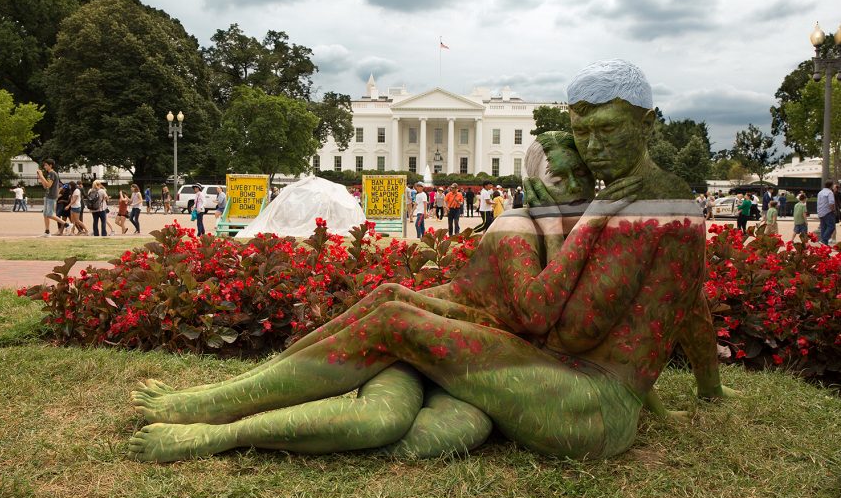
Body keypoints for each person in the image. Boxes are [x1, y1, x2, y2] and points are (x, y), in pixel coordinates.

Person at [128, 58, 735, 463]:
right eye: (583, 134)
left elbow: (569, 329)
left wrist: (564, 227)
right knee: (391, 302)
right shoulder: (665, 200)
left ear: (646, 122)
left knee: (397, 322)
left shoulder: (633, 211)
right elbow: (691, 304)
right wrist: (708, 390)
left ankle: (217, 414)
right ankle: (237, 388)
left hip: (585, 407)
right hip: (566, 380)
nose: (592, 148)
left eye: (606, 130)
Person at [36, 159, 68, 238]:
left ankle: (66, 224)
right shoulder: (49, 174)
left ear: (50, 165)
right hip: (48, 195)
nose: (44, 167)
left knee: (49, 214)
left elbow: (49, 185)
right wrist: (40, 177)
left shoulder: (52, 174)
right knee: (45, 214)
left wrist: (42, 176)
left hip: (51, 196)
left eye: (46, 165)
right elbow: (45, 186)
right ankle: (47, 231)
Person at [817, 180, 836, 245]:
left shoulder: (820, 192)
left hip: (821, 212)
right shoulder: (830, 193)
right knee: (831, 226)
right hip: (828, 211)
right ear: (831, 186)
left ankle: (824, 242)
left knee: (823, 227)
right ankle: (824, 240)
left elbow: (818, 203)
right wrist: (833, 210)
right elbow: (831, 202)